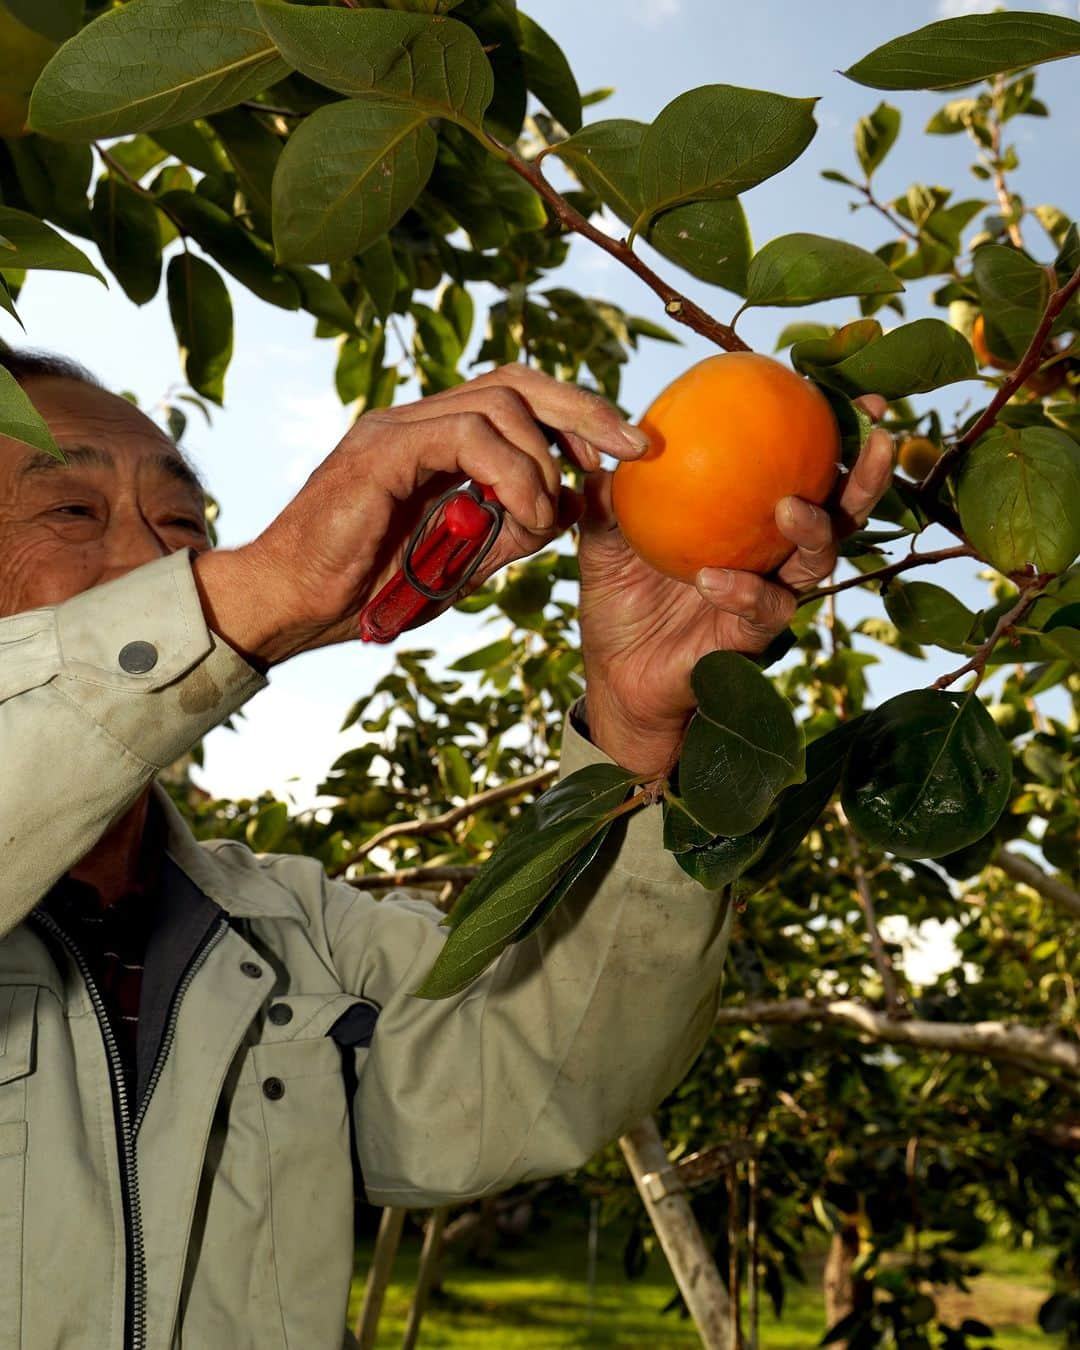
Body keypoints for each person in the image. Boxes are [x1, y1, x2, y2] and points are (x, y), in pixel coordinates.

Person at [0, 347, 892, 1349]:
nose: (155, 566)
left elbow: (537, 1078)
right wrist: (256, 592)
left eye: (184, 527)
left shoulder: (284, 935)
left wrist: (638, 743)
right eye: (71, 513)